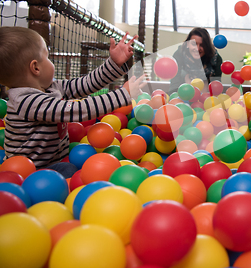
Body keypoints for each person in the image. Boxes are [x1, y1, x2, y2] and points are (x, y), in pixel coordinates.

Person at [0, 27, 145, 178]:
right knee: (73, 171)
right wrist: (122, 95)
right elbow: (77, 109)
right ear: (36, 67)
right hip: (31, 172)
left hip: (54, 159)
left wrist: (113, 64)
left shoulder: (50, 88)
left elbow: (85, 84)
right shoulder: (27, 102)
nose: (51, 62)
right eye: (48, 57)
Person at [169, 27, 223, 93]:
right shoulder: (179, 55)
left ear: (207, 46)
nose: (197, 49)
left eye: (202, 45)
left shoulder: (216, 59)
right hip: (183, 94)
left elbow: (216, 87)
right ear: (187, 44)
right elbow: (174, 84)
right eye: (193, 44)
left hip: (205, 96)